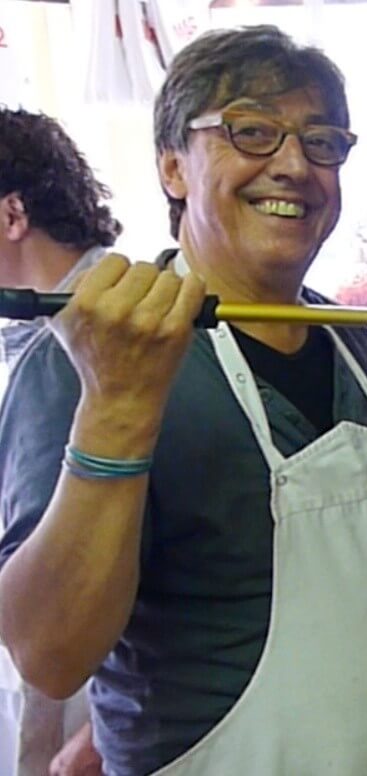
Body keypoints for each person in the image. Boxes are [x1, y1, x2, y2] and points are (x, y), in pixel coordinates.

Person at [0, 26, 367, 776]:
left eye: (323, 140)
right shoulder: (85, 358)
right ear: (173, 167)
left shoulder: (350, 345)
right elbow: (49, 656)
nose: (295, 165)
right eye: (252, 132)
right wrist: (118, 404)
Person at [0, 107, 116, 776]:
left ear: (13, 216)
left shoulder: (76, 341)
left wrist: (98, 736)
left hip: (85, 712)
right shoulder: (42, 328)